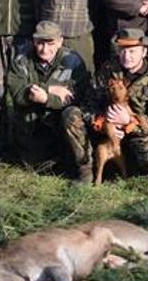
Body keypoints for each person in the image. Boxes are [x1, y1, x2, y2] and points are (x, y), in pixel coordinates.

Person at [75, 28, 148, 177]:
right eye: (123, 50)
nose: (127, 56)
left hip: (135, 135)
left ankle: (127, 165)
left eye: (132, 51)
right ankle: (85, 165)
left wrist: (129, 122)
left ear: (144, 52)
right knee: (72, 116)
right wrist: (104, 123)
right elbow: (88, 102)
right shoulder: (108, 70)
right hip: (105, 131)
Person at [6, 20, 91, 175]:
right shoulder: (21, 60)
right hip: (32, 124)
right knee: (37, 168)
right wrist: (49, 89)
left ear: (60, 42)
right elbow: (17, 94)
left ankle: (82, 167)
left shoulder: (73, 61)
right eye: (39, 43)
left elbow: (78, 97)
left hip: (61, 122)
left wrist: (46, 99)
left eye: (50, 44)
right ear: (33, 41)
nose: (44, 49)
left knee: (71, 114)